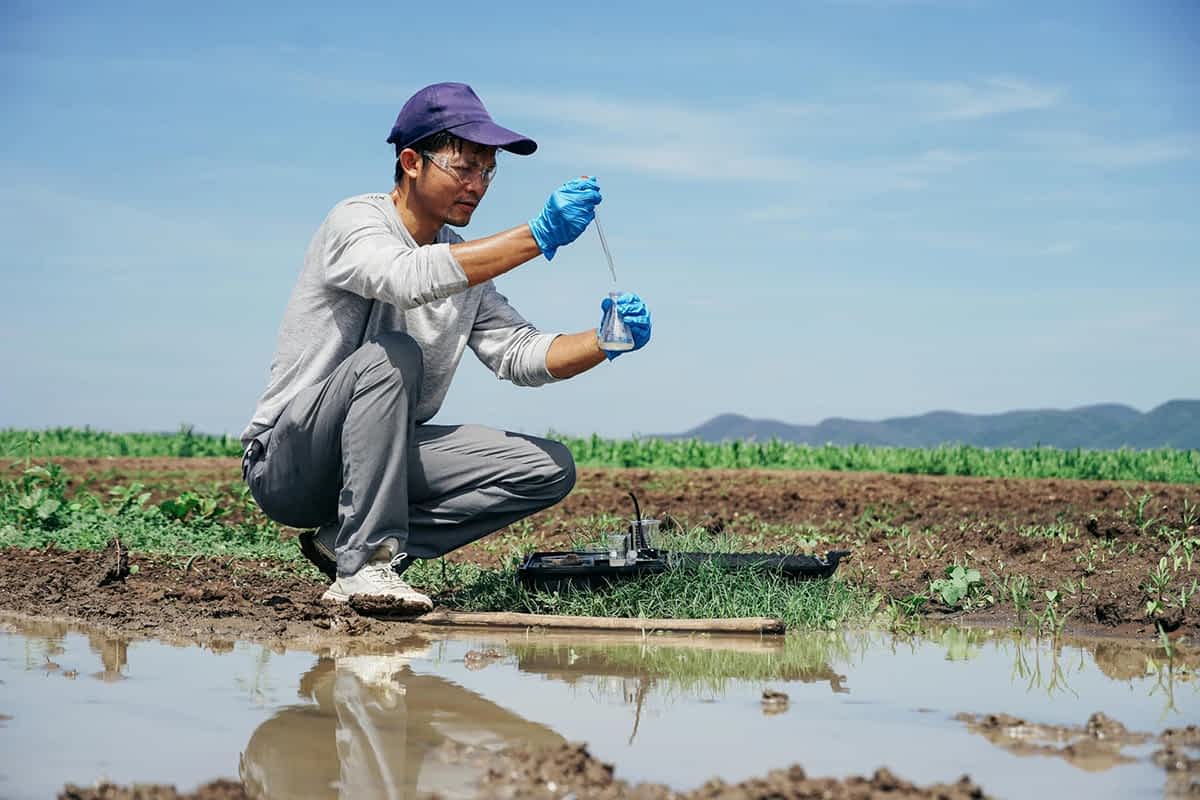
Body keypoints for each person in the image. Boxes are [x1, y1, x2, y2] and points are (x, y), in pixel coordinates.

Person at [239, 82, 652, 615]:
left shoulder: (466, 266)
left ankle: (347, 540)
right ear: (411, 162)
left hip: (377, 462)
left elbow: (520, 353)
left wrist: (602, 342)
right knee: (394, 355)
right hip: (291, 464)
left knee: (548, 468)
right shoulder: (356, 223)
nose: (478, 185)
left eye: (488, 172)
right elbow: (405, 277)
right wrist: (539, 234)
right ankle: (364, 565)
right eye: (464, 168)